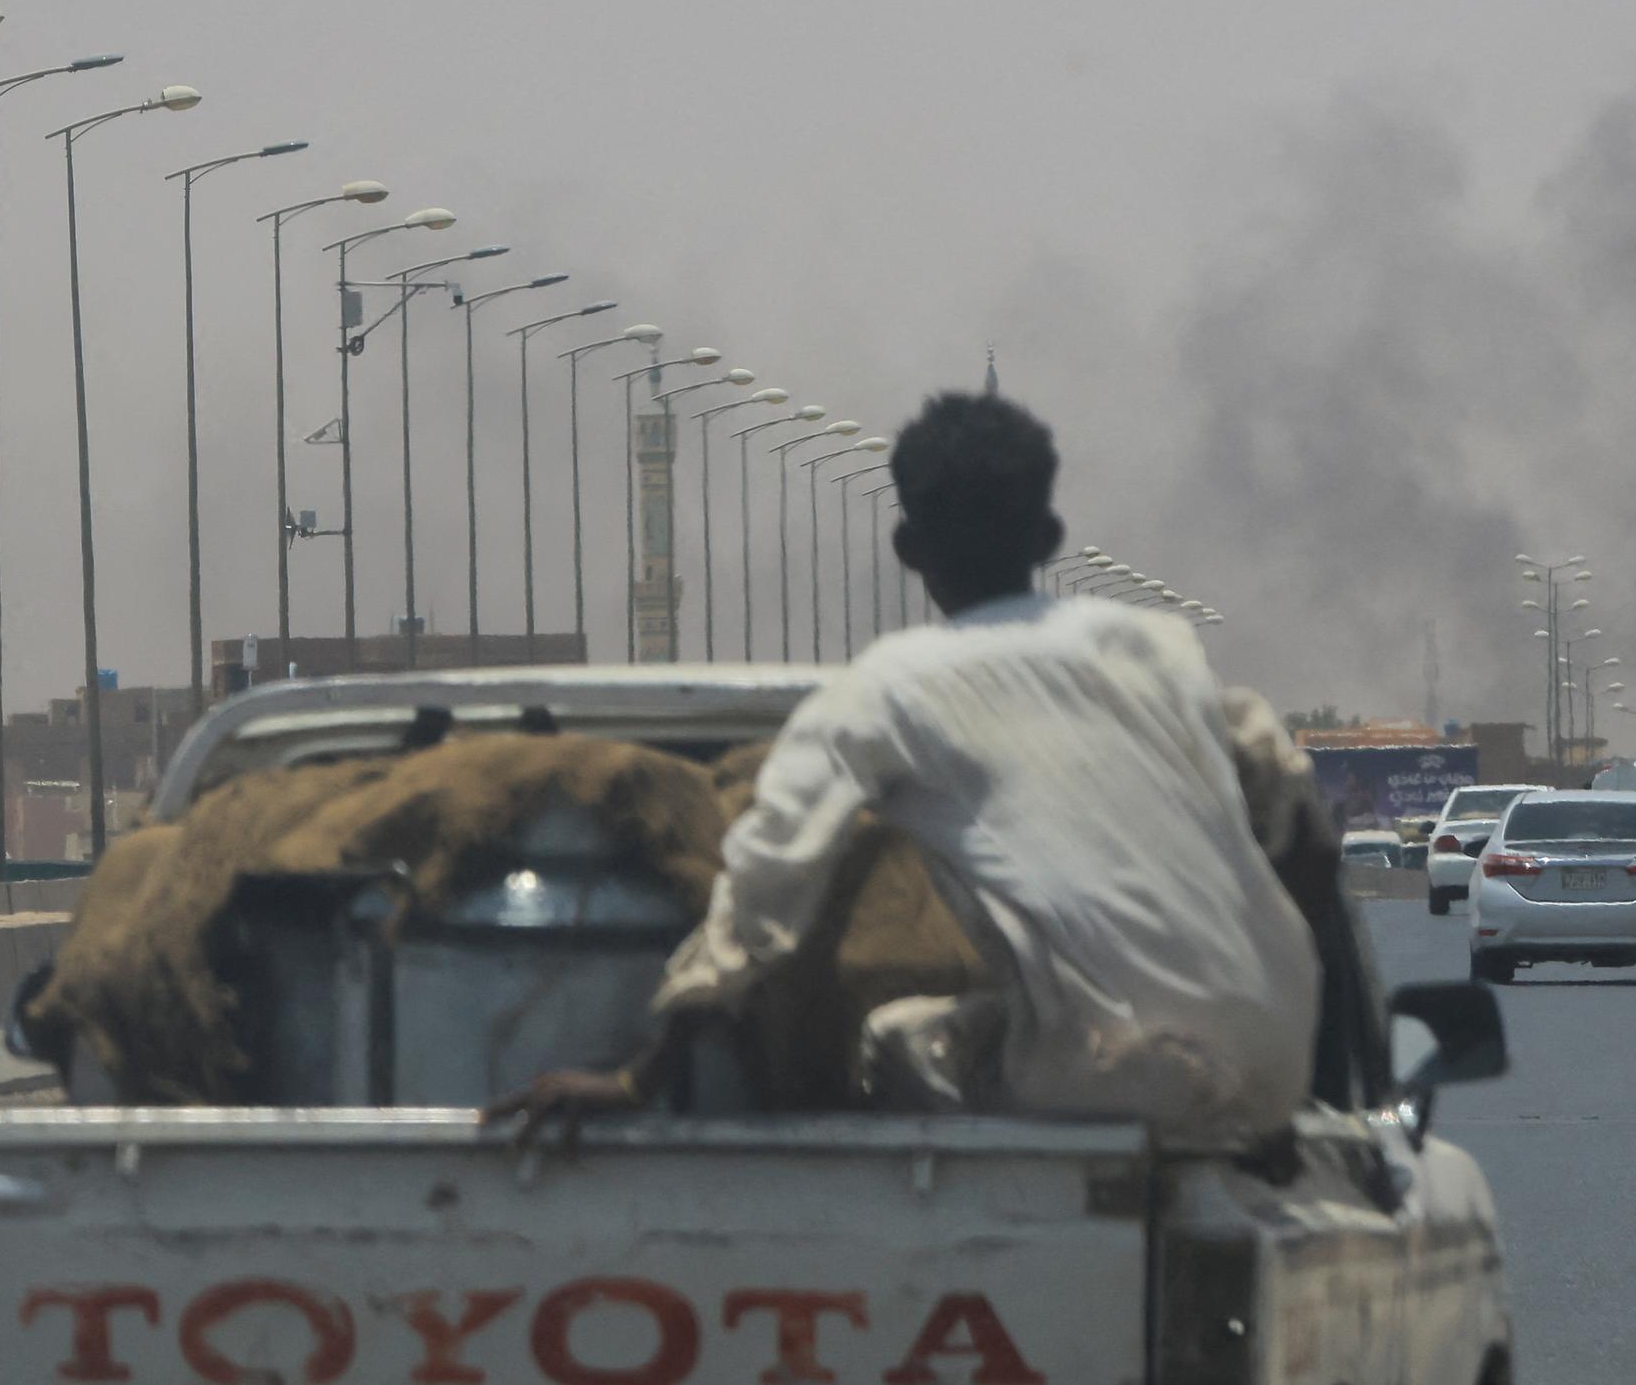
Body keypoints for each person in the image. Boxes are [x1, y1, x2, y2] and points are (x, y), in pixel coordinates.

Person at [492, 390, 1327, 1146]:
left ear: (906, 546)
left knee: (898, 1041)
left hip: (1109, 1080)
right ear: (1048, 539)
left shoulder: (883, 690)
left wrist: (640, 1077)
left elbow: (761, 894)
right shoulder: (1159, 648)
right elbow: (1301, 823)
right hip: (1282, 1063)